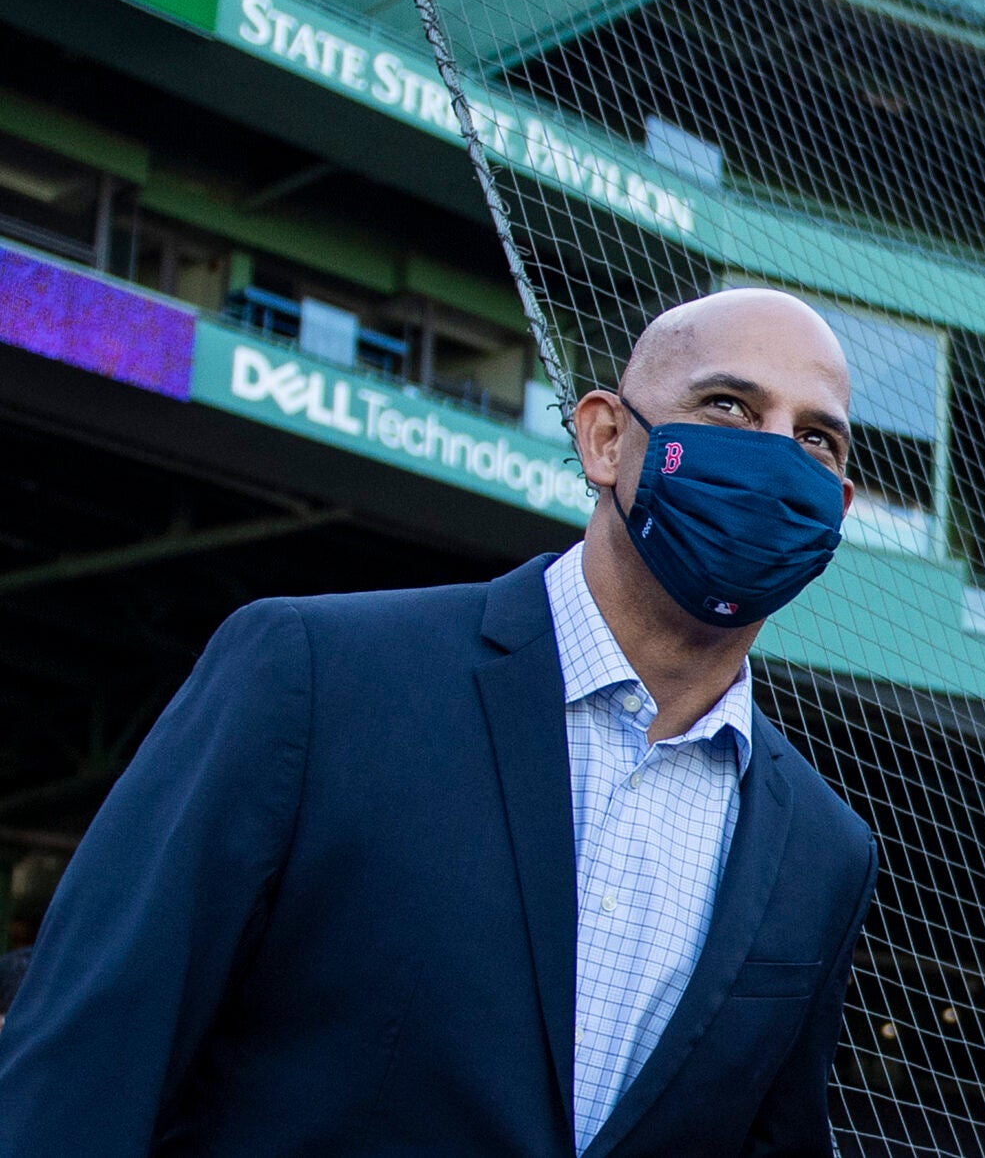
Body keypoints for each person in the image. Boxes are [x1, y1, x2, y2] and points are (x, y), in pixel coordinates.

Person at [0, 289, 879, 1157]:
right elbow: (87, 1065)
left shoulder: (824, 853)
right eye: (728, 405)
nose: (774, 456)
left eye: (814, 437)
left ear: (834, 510)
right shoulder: (315, 676)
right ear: (607, 438)